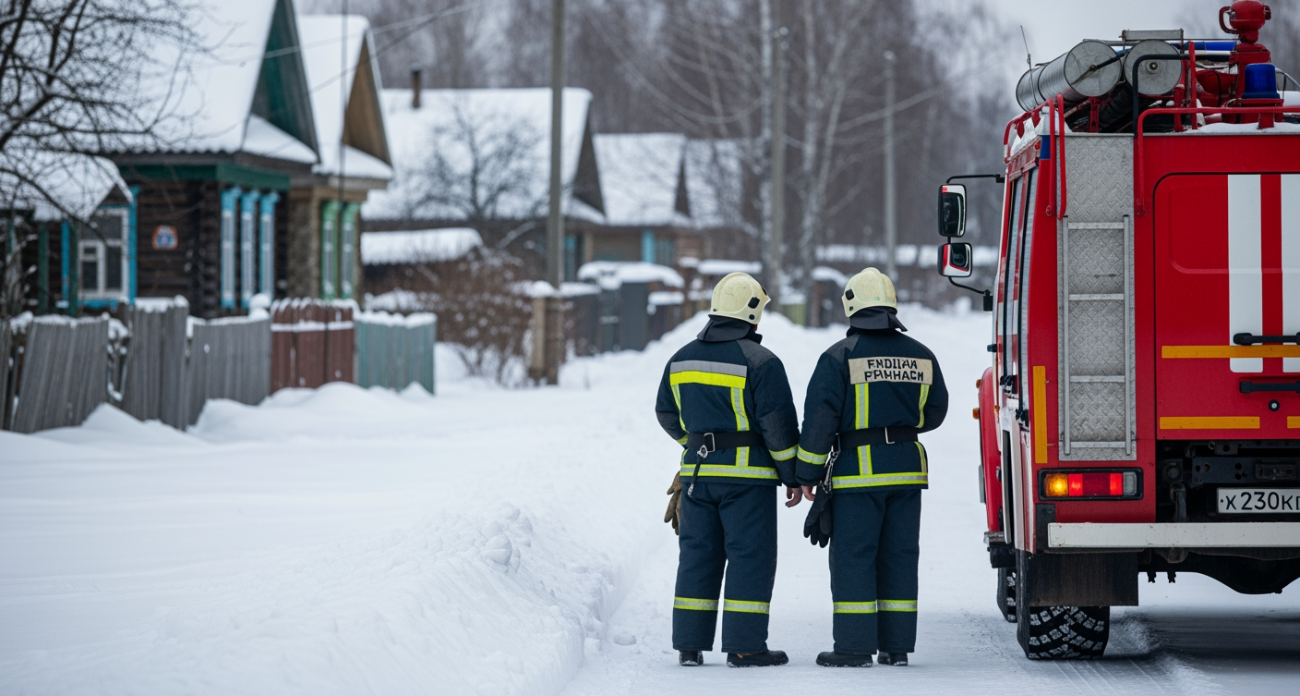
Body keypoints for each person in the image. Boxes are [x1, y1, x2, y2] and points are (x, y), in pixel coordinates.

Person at [796, 268, 948, 668]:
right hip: (907, 473)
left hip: (857, 476)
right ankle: (896, 649)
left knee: (854, 556)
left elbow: (819, 422)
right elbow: (935, 413)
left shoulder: (838, 357)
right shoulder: (921, 354)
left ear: (850, 306)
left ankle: (853, 647)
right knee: (899, 555)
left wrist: (807, 475)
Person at [655, 272, 803, 668]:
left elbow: (666, 414)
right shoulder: (761, 362)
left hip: (697, 478)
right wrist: (793, 476)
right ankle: (745, 646)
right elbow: (778, 428)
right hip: (747, 482)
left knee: (698, 555)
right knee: (749, 557)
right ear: (753, 314)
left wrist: (693, 444)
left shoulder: (681, 357)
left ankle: (689, 645)